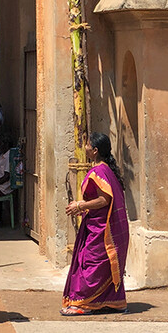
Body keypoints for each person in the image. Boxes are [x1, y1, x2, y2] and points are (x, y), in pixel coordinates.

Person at [61, 132, 130, 315]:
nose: (85, 147)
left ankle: (84, 303)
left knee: (91, 263)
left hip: (102, 229)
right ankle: (113, 301)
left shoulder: (99, 172)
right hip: (98, 224)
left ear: (95, 150)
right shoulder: (107, 170)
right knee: (104, 264)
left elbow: (104, 200)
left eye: (88, 145)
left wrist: (80, 205)